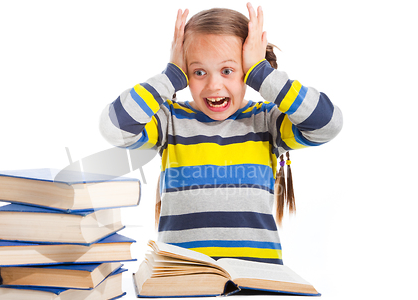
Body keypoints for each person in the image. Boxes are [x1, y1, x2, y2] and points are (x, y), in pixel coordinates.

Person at [99, 3, 342, 265]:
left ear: (247, 73)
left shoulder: (266, 121)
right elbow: (115, 127)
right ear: (185, 74)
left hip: (257, 280)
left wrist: (263, 73)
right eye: (199, 72)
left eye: (227, 70)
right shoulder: (168, 121)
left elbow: (327, 124)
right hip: (181, 277)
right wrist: (170, 76)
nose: (214, 85)